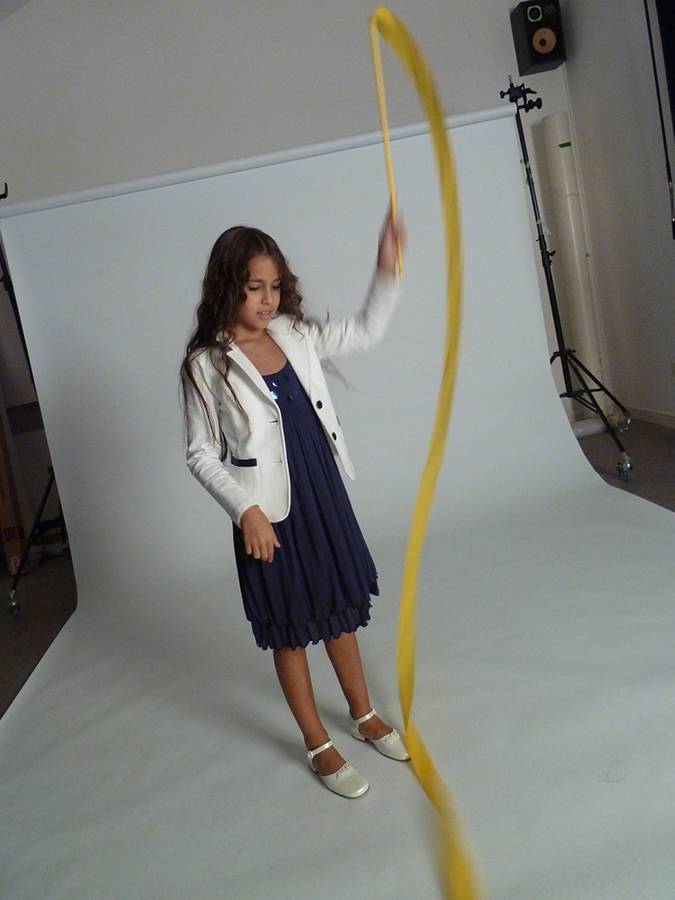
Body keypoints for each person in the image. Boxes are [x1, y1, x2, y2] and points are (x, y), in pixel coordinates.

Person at [181, 209, 408, 798]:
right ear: (226, 287)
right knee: (289, 626)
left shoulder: (294, 333)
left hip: (320, 491)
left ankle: (362, 714)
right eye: (254, 287)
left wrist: (386, 270)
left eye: (275, 286)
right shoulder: (206, 364)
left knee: (337, 607)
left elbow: (365, 331)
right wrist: (246, 511)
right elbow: (200, 454)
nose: (267, 299)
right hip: (267, 514)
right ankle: (317, 743)